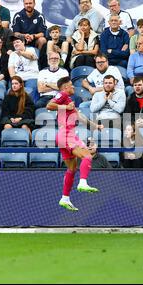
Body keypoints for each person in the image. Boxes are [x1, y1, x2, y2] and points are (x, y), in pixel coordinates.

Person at [46, 76, 104, 212]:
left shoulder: (68, 99)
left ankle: (65, 198)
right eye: (71, 85)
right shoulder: (63, 95)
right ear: (65, 87)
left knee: (72, 169)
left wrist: (94, 126)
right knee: (87, 156)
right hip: (67, 135)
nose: (73, 87)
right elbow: (49, 105)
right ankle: (83, 183)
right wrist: (65, 106)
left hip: (63, 136)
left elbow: (80, 116)